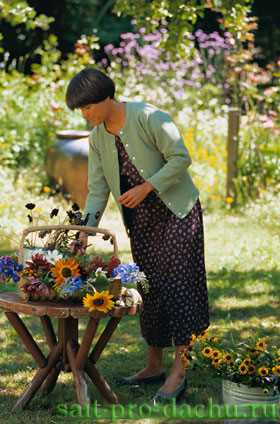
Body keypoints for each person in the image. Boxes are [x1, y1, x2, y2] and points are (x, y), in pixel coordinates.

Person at [65, 67, 210, 404]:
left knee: (180, 287)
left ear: (105, 98)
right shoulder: (98, 137)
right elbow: (98, 189)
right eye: (81, 110)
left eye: (87, 108)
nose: (85, 115)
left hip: (176, 212)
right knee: (151, 289)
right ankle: (153, 365)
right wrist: (85, 231)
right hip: (141, 222)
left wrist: (148, 187)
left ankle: (179, 369)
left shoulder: (150, 117)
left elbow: (180, 158)